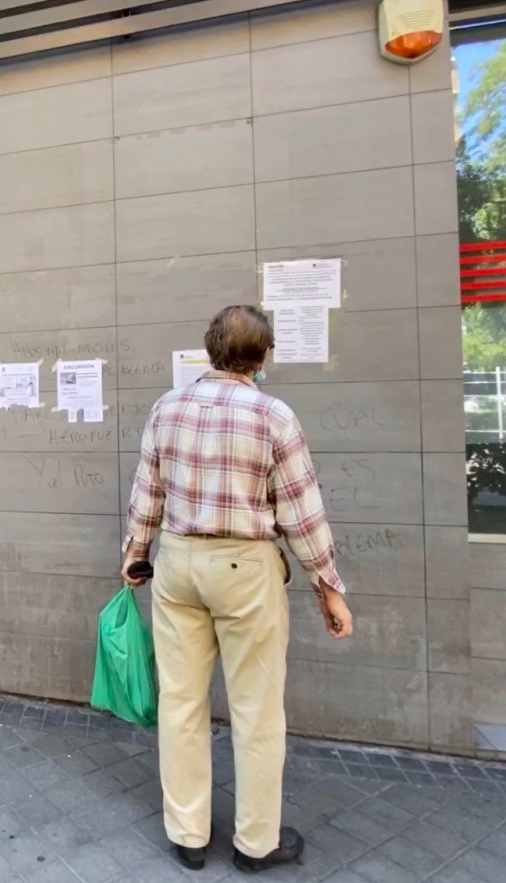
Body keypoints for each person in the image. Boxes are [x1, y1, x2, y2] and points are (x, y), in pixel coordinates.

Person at [121, 304, 353, 874]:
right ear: (263, 354)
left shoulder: (167, 408)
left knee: (181, 702)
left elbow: (147, 492)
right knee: (255, 710)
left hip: (177, 564)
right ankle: (255, 843)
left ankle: (189, 834)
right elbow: (303, 511)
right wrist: (328, 585)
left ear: (209, 348)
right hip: (245, 570)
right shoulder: (274, 416)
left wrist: (134, 554)